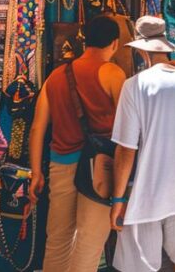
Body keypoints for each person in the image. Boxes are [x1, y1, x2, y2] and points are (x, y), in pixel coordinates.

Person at [106, 17, 175, 272]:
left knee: (139, 266)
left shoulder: (135, 85)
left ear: (140, 49)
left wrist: (118, 198)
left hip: (145, 190)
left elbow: (126, 148)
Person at [28, 15, 127, 272]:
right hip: (98, 169)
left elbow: (38, 127)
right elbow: (128, 129)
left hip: (61, 165)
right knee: (89, 244)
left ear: (85, 40)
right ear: (114, 43)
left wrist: (36, 172)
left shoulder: (56, 75)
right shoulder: (113, 73)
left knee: (57, 240)